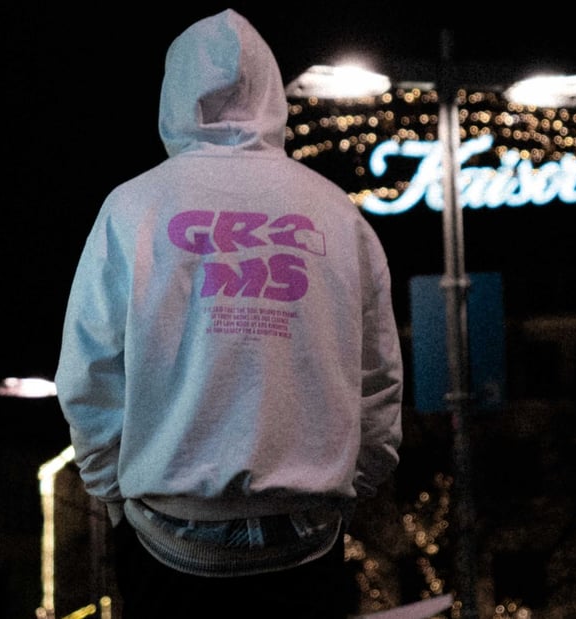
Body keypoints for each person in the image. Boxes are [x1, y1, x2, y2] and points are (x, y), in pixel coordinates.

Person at [54, 8, 403, 619]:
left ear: (174, 94)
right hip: (306, 536)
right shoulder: (335, 212)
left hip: (169, 538)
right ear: (273, 93)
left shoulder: (132, 208)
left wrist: (115, 496)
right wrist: (351, 485)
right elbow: (379, 378)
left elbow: (89, 373)